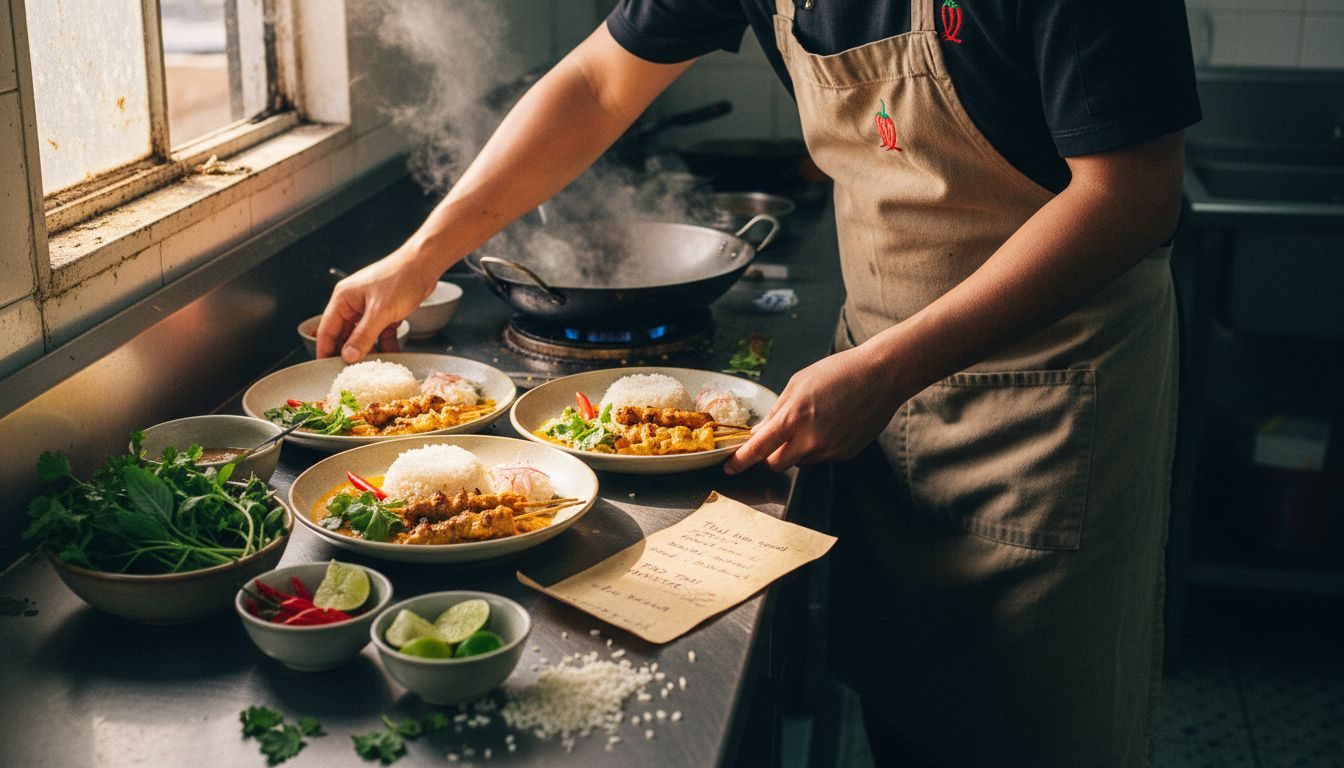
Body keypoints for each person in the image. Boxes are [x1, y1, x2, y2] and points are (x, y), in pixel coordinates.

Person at [318, 1, 1200, 764]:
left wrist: (888, 369)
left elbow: (1131, 194)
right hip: (875, 376)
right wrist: (418, 257)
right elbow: (597, 83)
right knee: (911, 705)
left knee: (1030, 727)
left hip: (1050, 398)